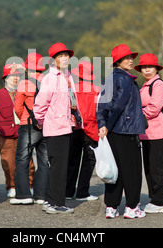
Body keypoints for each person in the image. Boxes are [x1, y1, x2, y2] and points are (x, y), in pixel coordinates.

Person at [96, 44, 146, 219]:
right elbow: (118, 105)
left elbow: (101, 104)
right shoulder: (126, 79)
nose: (131, 60)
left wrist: (102, 123)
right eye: (127, 58)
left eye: (132, 57)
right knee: (131, 170)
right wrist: (108, 125)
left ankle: (111, 206)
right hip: (126, 129)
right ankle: (132, 207)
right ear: (118, 61)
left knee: (114, 170)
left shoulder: (109, 78)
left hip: (112, 131)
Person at [33, 42, 83, 214]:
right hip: (55, 126)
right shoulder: (50, 78)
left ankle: (51, 200)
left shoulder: (66, 76)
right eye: (60, 56)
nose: (65, 58)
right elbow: (40, 105)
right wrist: (42, 121)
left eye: (66, 55)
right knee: (58, 166)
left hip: (65, 126)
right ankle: (57, 203)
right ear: (53, 60)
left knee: (59, 165)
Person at [135, 53, 163, 214]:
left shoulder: (158, 84)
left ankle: (161, 201)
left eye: (150, 67)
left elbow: (154, 108)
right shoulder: (145, 85)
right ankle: (155, 199)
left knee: (157, 168)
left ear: (157, 68)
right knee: (149, 168)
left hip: (159, 132)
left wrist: (136, 115)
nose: (147, 70)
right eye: (144, 67)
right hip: (148, 133)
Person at [11, 52, 48, 205]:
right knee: (44, 161)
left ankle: (23, 195)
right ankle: (41, 195)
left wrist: (25, 118)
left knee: (22, 160)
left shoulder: (23, 84)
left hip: (28, 124)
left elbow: (17, 107)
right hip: (46, 126)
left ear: (27, 68)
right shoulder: (48, 81)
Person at [0, 64, 32, 198]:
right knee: (8, 163)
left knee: (29, 162)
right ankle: (12, 186)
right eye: (12, 76)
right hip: (5, 134)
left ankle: (30, 185)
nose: (15, 78)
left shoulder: (24, 92)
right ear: (5, 79)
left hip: (23, 131)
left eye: (17, 76)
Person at [66, 60, 100, 201]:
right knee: (88, 161)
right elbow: (99, 111)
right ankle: (82, 192)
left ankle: (68, 191)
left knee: (72, 160)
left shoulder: (71, 88)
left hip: (74, 127)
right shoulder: (97, 90)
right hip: (91, 128)